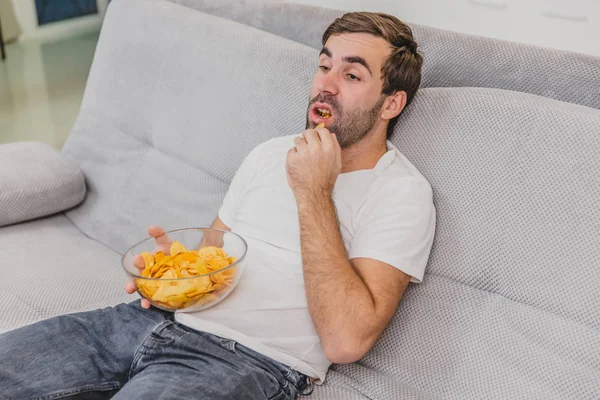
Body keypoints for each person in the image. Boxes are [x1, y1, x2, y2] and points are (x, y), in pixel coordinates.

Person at [0, 11, 435, 400]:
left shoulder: (401, 193)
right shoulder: (269, 152)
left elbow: (346, 341)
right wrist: (172, 273)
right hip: (142, 321)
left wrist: (314, 192)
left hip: (241, 359)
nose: (326, 84)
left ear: (391, 103)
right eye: (324, 66)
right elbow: (216, 255)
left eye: (352, 76)